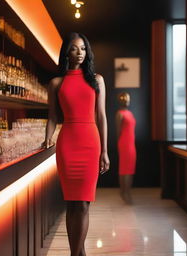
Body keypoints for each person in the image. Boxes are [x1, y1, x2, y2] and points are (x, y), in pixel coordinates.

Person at [43, 32, 110, 256]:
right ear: (66, 52)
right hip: (67, 144)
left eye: (83, 48)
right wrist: (47, 137)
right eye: (74, 48)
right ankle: (79, 254)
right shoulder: (56, 83)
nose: (79, 53)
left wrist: (105, 151)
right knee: (71, 204)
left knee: (83, 204)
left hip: (91, 144)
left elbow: (102, 117)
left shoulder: (97, 80)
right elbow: (52, 117)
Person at [115, 92, 136, 204]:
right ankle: (124, 192)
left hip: (131, 144)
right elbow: (118, 131)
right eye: (124, 99)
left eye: (128, 99)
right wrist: (120, 144)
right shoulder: (119, 114)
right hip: (124, 143)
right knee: (124, 168)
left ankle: (127, 191)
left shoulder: (130, 113)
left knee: (130, 168)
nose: (127, 101)